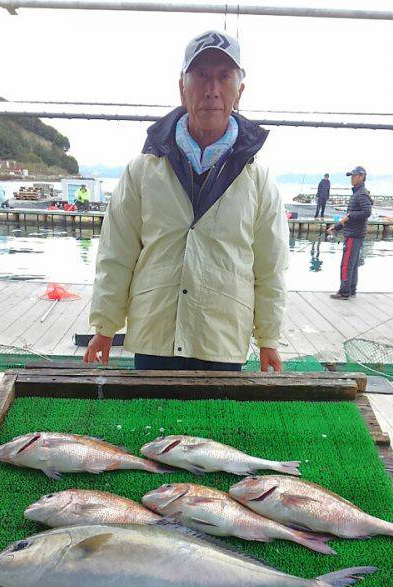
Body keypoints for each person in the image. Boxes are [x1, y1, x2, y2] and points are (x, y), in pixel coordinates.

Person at [84, 30, 289, 372]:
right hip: (154, 335)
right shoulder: (143, 169)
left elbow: (271, 267)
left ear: (240, 90)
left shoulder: (259, 179)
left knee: (217, 426)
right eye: (201, 76)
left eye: (224, 77)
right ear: (182, 87)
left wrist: (269, 338)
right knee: (149, 425)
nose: (212, 89)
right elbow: (116, 252)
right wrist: (105, 327)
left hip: (221, 339)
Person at [327, 167, 372, 299]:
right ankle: (351, 289)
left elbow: (366, 212)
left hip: (354, 235)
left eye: (354, 176)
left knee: (346, 264)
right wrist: (335, 228)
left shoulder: (362, 193)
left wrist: (350, 215)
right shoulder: (357, 193)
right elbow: (349, 218)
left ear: (362, 176)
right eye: (351, 176)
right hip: (354, 233)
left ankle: (344, 292)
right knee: (353, 263)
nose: (351, 178)